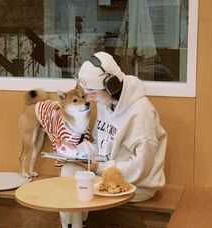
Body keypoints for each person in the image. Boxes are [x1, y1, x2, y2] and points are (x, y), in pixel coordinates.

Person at [56, 51, 167, 228]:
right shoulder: (105, 103)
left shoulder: (141, 113)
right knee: (68, 168)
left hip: (136, 184)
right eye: (88, 93)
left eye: (92, 93)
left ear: (111, 85)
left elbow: (141, 168)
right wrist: (77, 150)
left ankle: (77, 225)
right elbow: (99, 145)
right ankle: (74, 226)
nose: (90, 99)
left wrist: (100, 167)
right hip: (105, 171)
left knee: (78, 186)